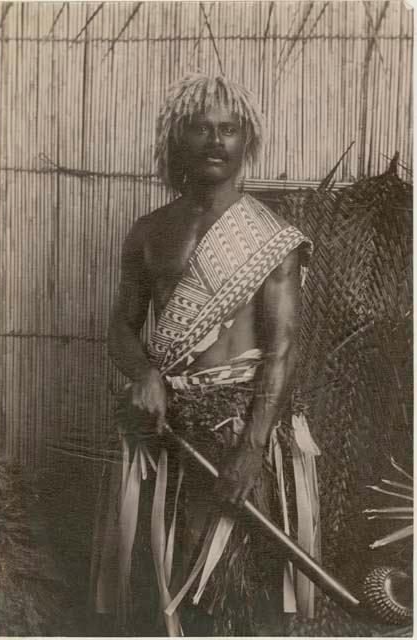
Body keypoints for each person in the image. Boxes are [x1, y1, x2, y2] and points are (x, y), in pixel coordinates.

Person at [90, 74, 320, 637]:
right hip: (163, 430)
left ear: (247, 142)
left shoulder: (270, 236)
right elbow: (121, 327)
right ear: (176, 140)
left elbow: (283, 351)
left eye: (229, 130)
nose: (216, 141)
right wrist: (145, 373)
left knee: (241, 592)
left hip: (241, 426)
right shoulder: (148, 232)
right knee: (161, 584)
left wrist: (251, 448)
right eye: (201, 128)